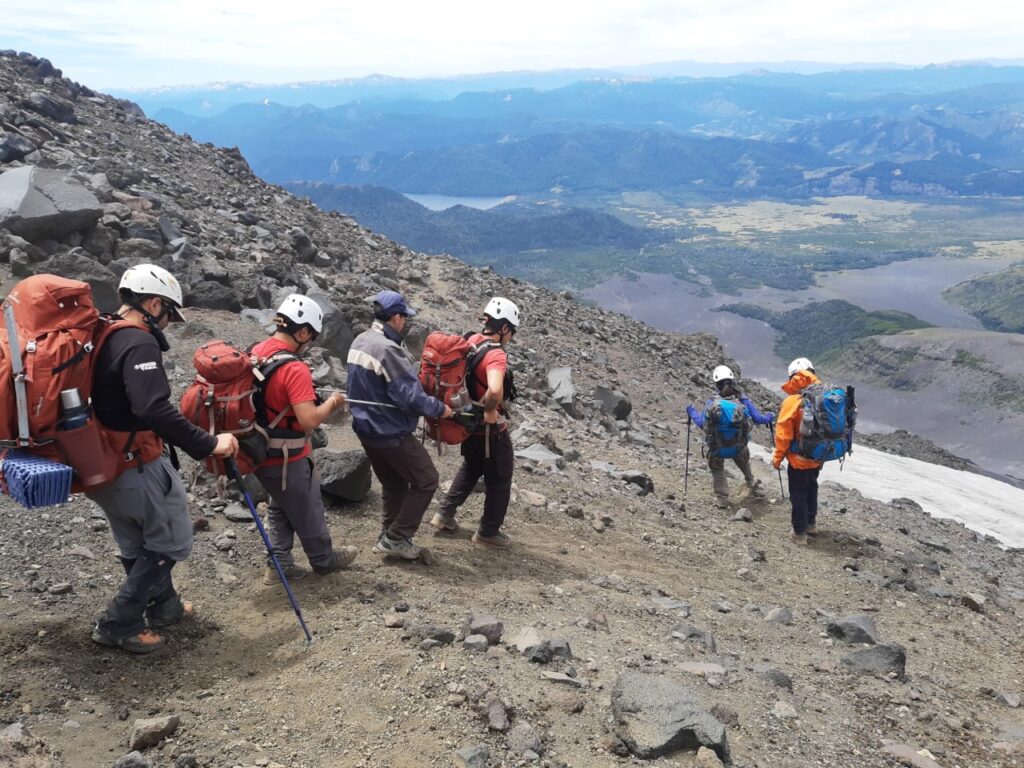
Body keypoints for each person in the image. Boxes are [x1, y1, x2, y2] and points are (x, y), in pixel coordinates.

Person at [87, 264, 239, 654]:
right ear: (153, 304)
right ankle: (118, 623)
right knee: (169, 542)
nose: (169, 322)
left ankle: (165, 606)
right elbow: (153, 408)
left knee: (137, 540)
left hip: (101, 459)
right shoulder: (139, 343)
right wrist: (207, 444)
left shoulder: (102, 332)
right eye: (169, 313)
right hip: (135, 461)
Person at [251, 294, 358, 584]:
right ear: (302, 332)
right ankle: (323, 559)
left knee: (280, 505)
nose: (310, 342)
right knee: (308, 506)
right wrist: (333, 402)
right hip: (289, 454)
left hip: (261, 449)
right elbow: (308, 420)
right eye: (310, 335)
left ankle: (279, 564)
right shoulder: (294, 368)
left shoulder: (259, 350)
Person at [346, 290, 452, 560]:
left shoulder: (361, 339)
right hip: (390, 431)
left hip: (365, 429)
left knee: (394, 484)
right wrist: (442, 409)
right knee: (427, 480)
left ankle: (387, 534)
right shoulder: (388, 349)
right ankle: (397, 537)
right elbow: (411, 398)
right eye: (404, 317)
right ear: (395, 317)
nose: (405, 322)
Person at [431, 297, 520, 548]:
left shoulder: (471, 340)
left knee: (471, 466)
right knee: (500, 478)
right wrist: (492, 409)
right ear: (503, 329)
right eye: (511, 331)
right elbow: (494, 389)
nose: (511, 336)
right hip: (489, 428)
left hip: (465, 421)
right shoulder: (496, 355)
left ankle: (444, 515)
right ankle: (488, 533)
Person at [686, 365, 774, 508]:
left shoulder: (712, 402)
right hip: (738, 447)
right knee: (744, 459)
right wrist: (770, 416)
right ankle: (751, 482)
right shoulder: (742, 400)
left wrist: (691, 411)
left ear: (716, 384)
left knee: (717, 469)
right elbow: (758, 419)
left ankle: (722, 499)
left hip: (717, 449)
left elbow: (702, 423)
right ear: (732, 380)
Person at [771, 357, 824, 545]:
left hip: (798, 458)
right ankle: (811, 524)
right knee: (812, 487)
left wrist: (777, 458)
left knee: (798, 492)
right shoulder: (822, 398)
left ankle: (799, 533)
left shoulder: (793, 401)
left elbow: (784, 435)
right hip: (817, 456)